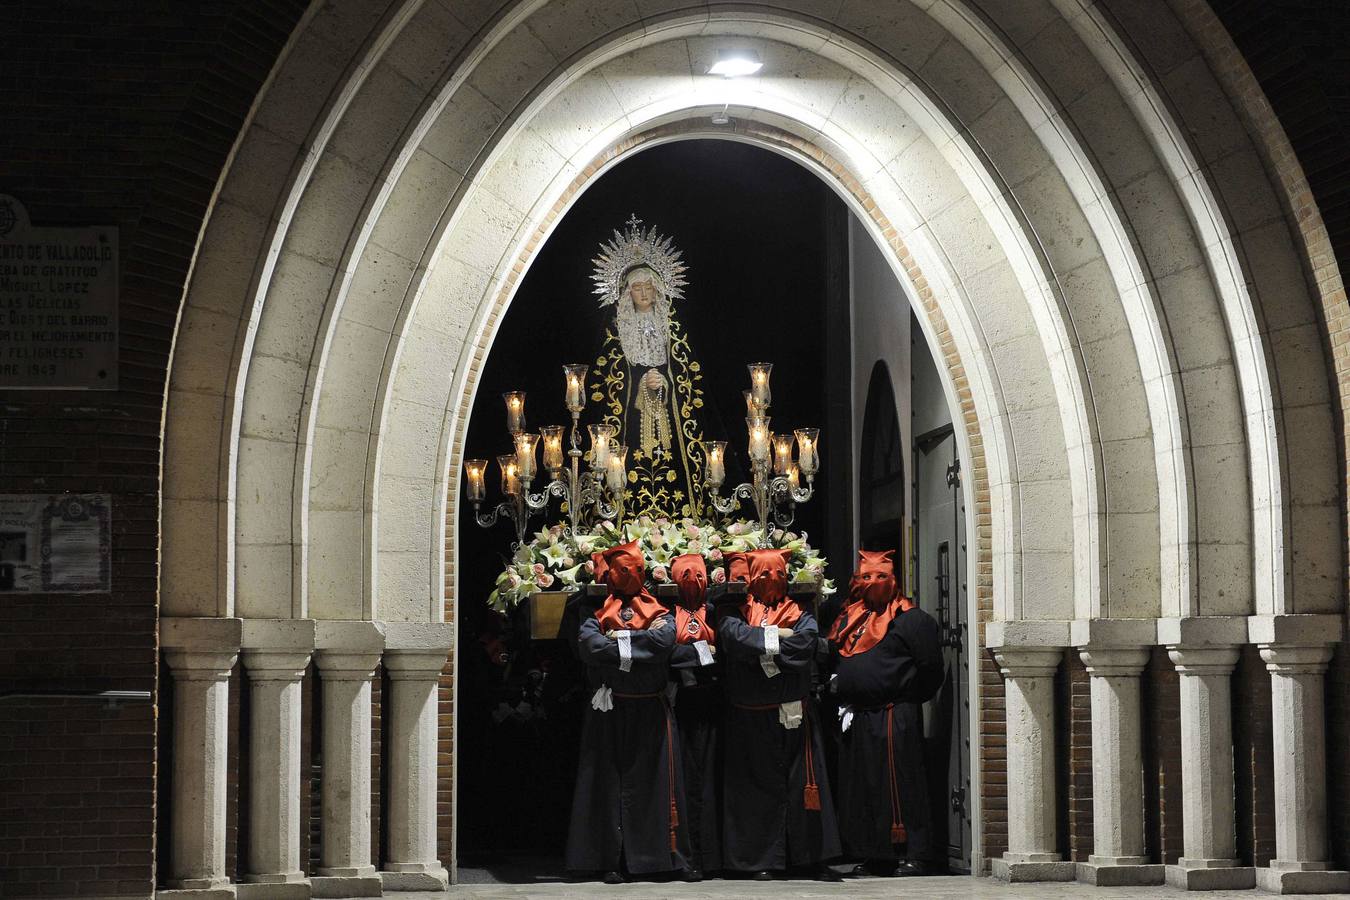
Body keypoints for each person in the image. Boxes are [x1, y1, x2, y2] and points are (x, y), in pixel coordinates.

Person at [565, 541, 690, 882]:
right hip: (610, 709)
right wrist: (638, 638)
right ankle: (610, 860)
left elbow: (664, 643)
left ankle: (656, 861)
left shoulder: (659, 609)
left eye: (634, 569)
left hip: (650, 711)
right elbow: (591, 646)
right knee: (607, 786)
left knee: (653, 788)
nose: (629, 575)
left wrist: (616, 638)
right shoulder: (592, 609)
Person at [718, 548, 842, 880]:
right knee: (756, 791)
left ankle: (808, 858)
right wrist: (781, 635)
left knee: (803, 787)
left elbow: (805, 645)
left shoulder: (800, 611)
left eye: (778, 574)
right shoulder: (734, 610)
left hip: (794, 716)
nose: (771, 580)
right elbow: (735, 640)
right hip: (750, 719)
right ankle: (759, 860)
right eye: (763, 574)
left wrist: (761, 646)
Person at [827, 549, 943, 877]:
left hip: (894, 714)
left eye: (880, 576)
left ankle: (914, 853)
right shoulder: (850, 617)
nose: (873, 582)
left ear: (893, 580)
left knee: (901, 783)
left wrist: (904, 697)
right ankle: (876, 854)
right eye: (866, 577)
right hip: (859, 715)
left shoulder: (912, 620)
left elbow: (931, 669)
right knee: (865, 786)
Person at [589, 215, 710, 519]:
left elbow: (689, 378)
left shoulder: (673, 329)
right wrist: (640, 384)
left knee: (678, 470)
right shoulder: (615, 334)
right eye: (637, 288)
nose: (643, 293)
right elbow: (606, 386)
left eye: (649, 287)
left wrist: (666, 382)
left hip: (671, 417)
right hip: (629, 423)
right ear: (626, 293)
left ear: (658, 289)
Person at [668, 553, 721, 879]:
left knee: (708, 781)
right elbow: (669, 653)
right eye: (686, 576)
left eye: (699, 576)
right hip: (679, 706)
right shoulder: (665, 613)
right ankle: (685, 856)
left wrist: (690, 654)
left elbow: (725, 651)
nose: (694, 582)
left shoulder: (714, 611)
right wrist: (703, 651)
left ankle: (708, 856)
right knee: (683, 780)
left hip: (712, 705)